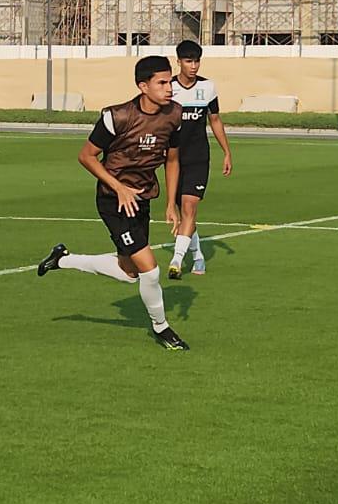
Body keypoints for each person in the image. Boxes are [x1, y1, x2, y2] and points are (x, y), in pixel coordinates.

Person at [36, 54, 189, 350]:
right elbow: (86, 156)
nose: (169, 87)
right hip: (113, 200)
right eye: (162, 82)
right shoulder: (116, 116)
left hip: (142, 198)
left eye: (170, 81)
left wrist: (171, 203)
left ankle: (62, 259)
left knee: (129, 272)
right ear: (143, 86)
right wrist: (118, 187)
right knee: (150, 269)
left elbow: (172, 159)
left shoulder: (174, 114)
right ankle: (162, 328)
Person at [166, 39, 232, 278]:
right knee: (182, 213)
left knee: (189, 206)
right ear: (179, 62)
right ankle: (198, 256)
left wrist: (226, 151)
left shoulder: (208, 88)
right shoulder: (168, 88)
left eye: (196, 61)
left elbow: (215, 119)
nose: (193, 66)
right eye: (188, 61)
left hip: (198, 157)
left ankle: (176, 260)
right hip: (172, 159)